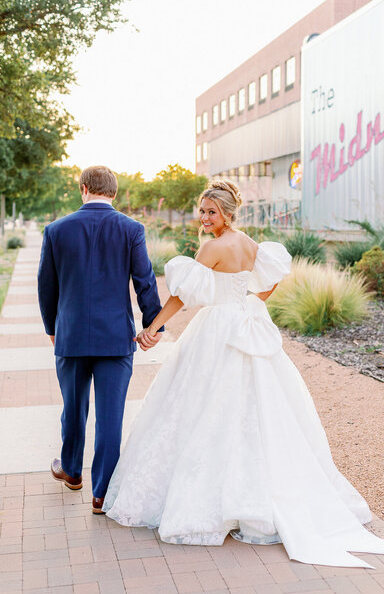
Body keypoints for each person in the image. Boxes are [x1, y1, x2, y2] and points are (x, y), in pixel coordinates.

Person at [103, 179, 384, 568]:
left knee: (203, 407)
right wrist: (251, 303)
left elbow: (183, 296)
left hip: (218, 329)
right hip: (244, 323)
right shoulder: (250, 244)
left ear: (227, 213)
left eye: (211, 212)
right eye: (201, 211)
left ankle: (219, 499)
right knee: (253, 411)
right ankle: (255, 496)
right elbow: (271, 279)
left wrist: (153, 328)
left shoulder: (213, 246)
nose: (204, 218)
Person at [37, 165, 163, 514]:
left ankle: (72, 471)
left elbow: (46, 285)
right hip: (115, 338)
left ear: (83, 188)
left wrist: (52, 328)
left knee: (74, 409)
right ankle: (101, 495)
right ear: (114, 192)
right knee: (111, 417)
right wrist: (153, 325)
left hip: (72, 335)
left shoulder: (56, 230)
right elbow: (145, 280)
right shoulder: (131, 229)